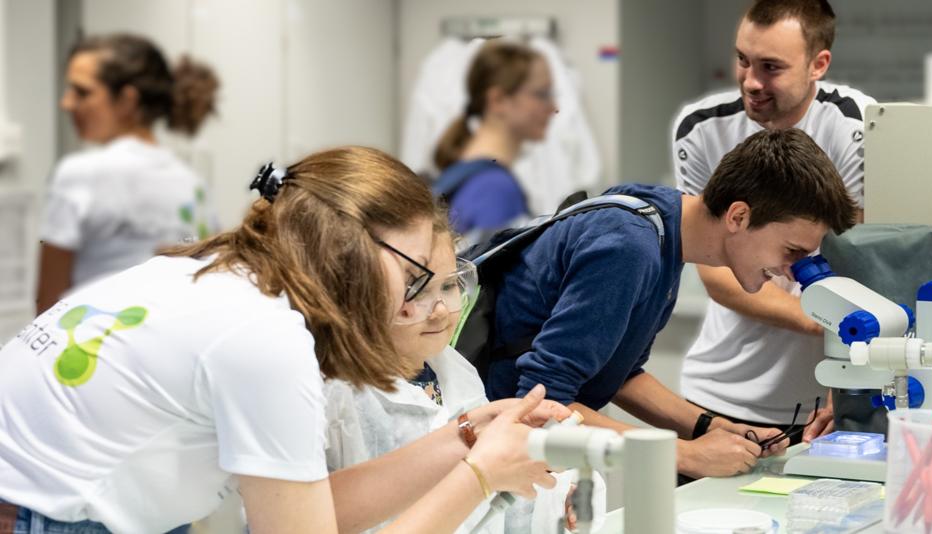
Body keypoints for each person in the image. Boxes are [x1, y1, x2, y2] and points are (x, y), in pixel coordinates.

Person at [0, 146, 567, 534]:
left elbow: (313, 509)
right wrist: (479, 477)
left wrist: (466, 438)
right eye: (416, 277)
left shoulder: (219, 276)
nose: (429, 304)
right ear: (346, 259)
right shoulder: (263, 337)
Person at [483, 128, 858, 479]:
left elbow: (620, 374)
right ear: (739, 216)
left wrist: (711, 426)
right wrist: (684, 455)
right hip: (494, 446)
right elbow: (539, 407)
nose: (794, 273)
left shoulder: (664, 224)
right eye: (792, 251)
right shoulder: (629, 247)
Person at [671, 0, 875, 442]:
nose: (750, 81)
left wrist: (854, 381)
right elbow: (716, 271)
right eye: (743, 60)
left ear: (818, 64)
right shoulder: (702, 129)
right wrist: (821, 317)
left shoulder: (857, 126)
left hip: (824, 402)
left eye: (771, 67)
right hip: (718, 397)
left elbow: (866, 269)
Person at [323, 217, 605, 533]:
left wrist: (562, 490)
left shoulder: (453, 369)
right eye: (415, 291)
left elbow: (495, 505)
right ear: (358, 295)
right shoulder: (342, 398)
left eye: (448, 285)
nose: (441, 310)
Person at [37, 33, 220, 314]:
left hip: (94, 347)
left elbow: (48, 302)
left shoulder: (79, 173)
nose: (67, 103)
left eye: (81, 92)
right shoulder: (194, 184)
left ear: (126, 101)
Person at [433, 40, 556, 246]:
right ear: (498, 100)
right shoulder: (494, 189)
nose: (554, 107)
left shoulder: (463, 174)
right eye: (541, 94)